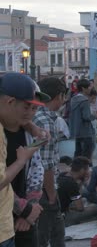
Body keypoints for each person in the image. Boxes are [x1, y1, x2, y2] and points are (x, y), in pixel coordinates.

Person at [1, 73, 50, 247]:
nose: (30, 113)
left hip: (24, 216)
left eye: (34, 108)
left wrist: (32, 207)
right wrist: (25, 209)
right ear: (10, 102)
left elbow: (37, 170)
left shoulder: (29, 134)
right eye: (26, 106)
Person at [33, 77, 68, 247]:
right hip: (44, 190)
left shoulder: (37, 115)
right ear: (59, 96)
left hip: (37, 188)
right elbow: (45, 164)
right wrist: (52, 195)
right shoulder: (46, 121)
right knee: (51, 234)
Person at [57, 156, 97, 227]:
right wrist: (85, 180)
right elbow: (80, 208)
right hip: (63, 216)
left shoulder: (63, 175)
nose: (89, 171)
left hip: (59, 209)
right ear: (82, 170)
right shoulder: (71, 184)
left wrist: (82, 181)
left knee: (84, 200)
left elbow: (77, 195)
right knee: (96, 207)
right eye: (87, 169)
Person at [69, 79, 97, 161]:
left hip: (77, 131)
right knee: (86, 156)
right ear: (83, 88)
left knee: (78, 154)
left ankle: (76, 170)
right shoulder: (84, 100)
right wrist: (94, 116)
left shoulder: (73, 99)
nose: (90, 88)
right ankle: (85, 172)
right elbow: (86, 117)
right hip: (86, 132)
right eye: (88, 87)